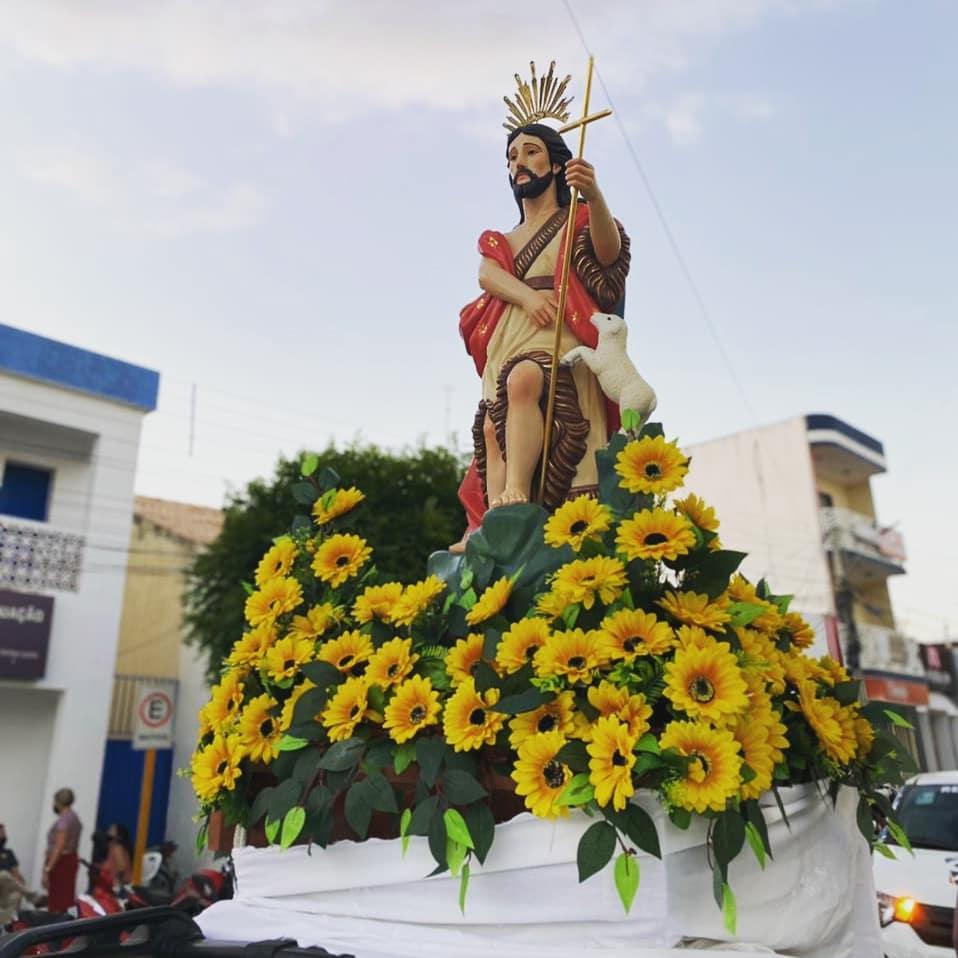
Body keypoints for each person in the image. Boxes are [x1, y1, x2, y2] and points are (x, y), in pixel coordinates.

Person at [456, 119, 630, 536]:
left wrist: (593, 194)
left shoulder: (578, 220)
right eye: (512, 156)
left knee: (524, 382)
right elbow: (487, 275)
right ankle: (491, 519)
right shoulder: (504, 238)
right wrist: (528, 297)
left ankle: (519, 494)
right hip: (510, 329)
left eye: (531, 152)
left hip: (558, 331)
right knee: (491, 426)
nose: (520, 163)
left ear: (555, 165)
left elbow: (608, 254)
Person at [43, 787, 82, 913]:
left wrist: (48, 869)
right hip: (69, 860)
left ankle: (56, 928)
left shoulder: (64, 820)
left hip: (61, 863)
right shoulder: (74, 817)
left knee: (58, 901)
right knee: (65, 898)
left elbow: (59, 846)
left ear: (58, 802)